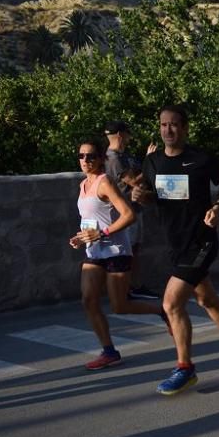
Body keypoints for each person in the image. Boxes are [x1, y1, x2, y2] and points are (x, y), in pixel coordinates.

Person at [132, 105, 219, 395]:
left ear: (184, 128)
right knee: (206, 299)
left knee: (171, 302)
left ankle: (185, 368)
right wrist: (139, 196)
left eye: (173, 125)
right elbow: (149, 196)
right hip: (175, 242)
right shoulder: (153, 162)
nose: (167, 131)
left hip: (201, 240)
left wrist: (218, 206)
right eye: (162, 125)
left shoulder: (200, 158)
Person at [71, 140, 166, 370]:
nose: (86, 160)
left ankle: (162, 311)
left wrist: (102, 233)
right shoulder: (83, 185)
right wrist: (80, 237)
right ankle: (109, 351)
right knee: (88, 299)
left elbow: (128, 215)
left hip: (116, 251)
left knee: (120, 306)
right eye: (82, 156)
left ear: (102, 158)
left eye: (91, 156)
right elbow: (91, 221)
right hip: (94, 252)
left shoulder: (105, 183)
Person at [103, 120, 157, 300]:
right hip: (124, 211)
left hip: (135, 207)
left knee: (135, 248)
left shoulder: (124, 155)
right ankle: (127, 288)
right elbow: (133, 181)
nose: (129, 136)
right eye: (127, 132)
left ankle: (134, 285)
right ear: (120, 134)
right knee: (128, 250)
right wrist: (149, 161)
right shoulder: (114, 158)